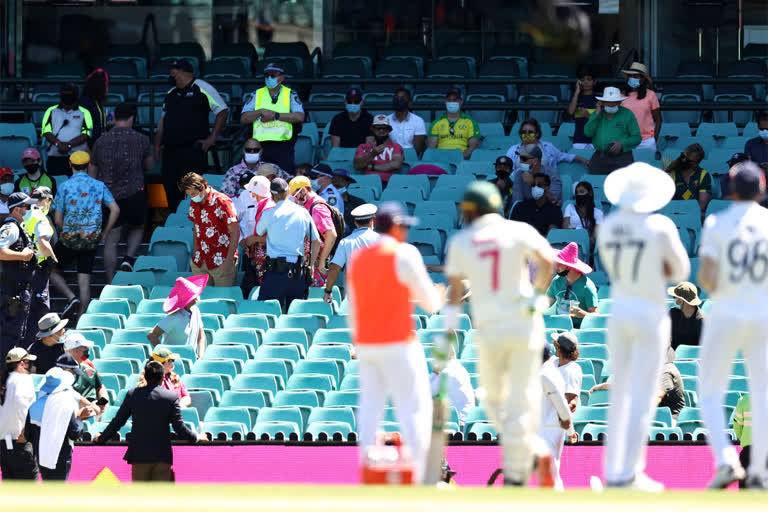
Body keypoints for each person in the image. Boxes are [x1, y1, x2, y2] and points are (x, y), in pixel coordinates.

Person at [443, 181, 554, 485]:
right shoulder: (518, 230)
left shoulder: (461, 242)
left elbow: (454, 295)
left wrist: (446, 336)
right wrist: (536, 297)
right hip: (524, 322)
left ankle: (521, 467)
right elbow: (548, 261)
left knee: (493, 400)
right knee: (520, 396)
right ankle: (531, 454)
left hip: (492, 328)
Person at [598, 162, 690, 491]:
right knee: (642, 393)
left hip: (620, 310)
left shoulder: (608, 227)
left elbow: (611, 265)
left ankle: (613, 471)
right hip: (649, 312)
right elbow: (681, 269)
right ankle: (631, 473)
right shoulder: (660, 225)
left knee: (622, 392)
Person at [347, 202, 444, 484]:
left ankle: (367, 461)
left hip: (367, 342)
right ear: (398, 227)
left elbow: (355, 305)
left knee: (371, 404)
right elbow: (429, 303)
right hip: (399, 341)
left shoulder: (359, 258)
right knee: (414, 405)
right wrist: (438, 295)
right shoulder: (405, 253)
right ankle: (420, 468)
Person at [696, 161, 768, 489]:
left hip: (727, 310)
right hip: (761, 311)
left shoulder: (717, 222)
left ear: (732, 189)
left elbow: (707, 278)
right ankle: (760, 471)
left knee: (710, 390)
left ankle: (726, 460)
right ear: (762, 189)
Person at [94, 360, 206, 481]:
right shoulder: (171, 397)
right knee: (159, 497)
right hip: (162, 454)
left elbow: (118, 421)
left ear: (145, 377)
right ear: (163, 377)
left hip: (139, 454)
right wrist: (197, 438)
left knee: (140, 496)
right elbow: (179, 427)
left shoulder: (133, 395)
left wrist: (101, 438)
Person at [50, 151, 120, 318]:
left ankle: (71, 298)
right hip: (91, 239)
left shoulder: (64, 186)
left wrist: (66, 230)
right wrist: (104, 233)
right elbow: (115, 209)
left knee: (49, 268)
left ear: (70, 164)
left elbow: (58, 219)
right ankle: (82, 318)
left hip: (70, 238)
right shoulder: (99, 185)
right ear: (89, 166)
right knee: (84, 280)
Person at [154, 59, 229, 211]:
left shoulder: (202, 87)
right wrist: (157, 145)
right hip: (170, 151)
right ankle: (174, 223)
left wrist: (212, 138)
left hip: (192, 150)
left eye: (173, 71)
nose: (171, 75)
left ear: (182, 71)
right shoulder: (170, 93)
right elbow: (162, 121)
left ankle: (195, 224)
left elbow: (222, 110)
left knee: (193, 190)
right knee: (170, 189)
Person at [91, 103, 152, 279]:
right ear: (132, 118)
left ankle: (111, 281)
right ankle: (128, 258)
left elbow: (93, 174)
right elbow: (149, 165)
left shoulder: (100, 141)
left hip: (109, 197)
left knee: (111, 240)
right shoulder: (142, 139)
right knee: (138, 227)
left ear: (114, 118)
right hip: (135, 192)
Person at [256, 178, 321, 310]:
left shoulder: (269, 213)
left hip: (275, 272)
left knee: (267, 313)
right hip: (297, 271)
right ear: (288, 193)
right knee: (297, 316)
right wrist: (311, 265)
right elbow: (316, 241)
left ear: (273, 195)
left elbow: (259, 231)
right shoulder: (303, 212)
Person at [25, 364, 89, 480]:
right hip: (62, 457)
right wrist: (80, 418)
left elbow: (27, 435)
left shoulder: (33, 406)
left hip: (41, 458)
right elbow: (74, 433)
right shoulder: (65, 408)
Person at [239, 63, 305, 173]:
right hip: (260, 146)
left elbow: (300, 117)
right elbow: (244, 118)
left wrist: (275, 116)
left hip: (283, 147)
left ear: (282, 77)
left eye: (273, 75)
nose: (269, 78)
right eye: (266, 75)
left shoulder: (290, 94)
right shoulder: (256, 94)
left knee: (285, 181)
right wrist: (260, 112)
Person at [182, 172, 239, 287]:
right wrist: (195, 255)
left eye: (193, 193)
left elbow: (235, 232)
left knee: (222, 301)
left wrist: (228, 262)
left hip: (221, 261)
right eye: (190, 195)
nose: (192, 197)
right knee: (201, 302)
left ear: (202, 187)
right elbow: (196, 229)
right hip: (200, 262)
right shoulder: (194, 202)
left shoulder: (223, 202)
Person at [0, 192, 39, 358]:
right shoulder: (10, 228)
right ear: (16, 210)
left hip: (19, 291)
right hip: (12, 292)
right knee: (10, 337)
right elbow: (1, 251)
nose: (30, 210)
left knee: (16, 335)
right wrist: (23, 256)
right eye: (27, 207)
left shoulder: (19, 228)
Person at [537, 342, 576, 491]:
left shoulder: (545, 375)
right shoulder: (550, 372)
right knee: (550, 474)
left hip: (547, 430)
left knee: (550, 475)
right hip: (549, 428)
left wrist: (571, 431)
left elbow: (561, 405)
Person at [323, 204, 380, 305]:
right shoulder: (383, 240)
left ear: (355, 222)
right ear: (372, 221)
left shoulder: (346, 242)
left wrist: (328, 291)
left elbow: (335, 268)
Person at [289, 176, 339, 284]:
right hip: (310, 260)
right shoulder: (307, 205)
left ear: (303, 191)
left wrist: (321, 263)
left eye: (295, 195)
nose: (294, 199)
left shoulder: (317, 208)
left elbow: (331, 234)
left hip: (317, 264)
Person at [0, 347, 39, 480]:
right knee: (28, 491)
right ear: (22, 363)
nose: (31, 365)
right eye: (28, 362)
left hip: (3, 444)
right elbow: (22, 405)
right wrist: (27, 432)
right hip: (20, 441)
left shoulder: (3, 381)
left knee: (11, 491)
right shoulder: (23, 379)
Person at [23, 186, 57, 338]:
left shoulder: (25, 215)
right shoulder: (40, 218)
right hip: (39, 269)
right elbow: (43, 242)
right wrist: (52, 258)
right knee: (40, 309)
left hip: (23, 267)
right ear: (47, 200)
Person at [584, 87, 642, 175]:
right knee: (596, 184)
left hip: (622, 158)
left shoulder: (627, 114)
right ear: (602, 103)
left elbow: (637, 138)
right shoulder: (597, 114)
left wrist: (622, 144)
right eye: (608, 103)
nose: (611, 105)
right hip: (600, 157)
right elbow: (588, 133)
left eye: (614, 103)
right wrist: (596, 113)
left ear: (619, 102)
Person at [147, 275, 207, 359]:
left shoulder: (196, 310)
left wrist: (201, 356)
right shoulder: (173, 317)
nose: (197, 296)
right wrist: (165, 357)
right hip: (173, 365)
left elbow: (201, 336)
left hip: (192, 362)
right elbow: (152, 335)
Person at [40, 83, 93, 176]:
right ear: (60, 97)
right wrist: (58, 144)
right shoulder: (51, 111)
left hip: (78, 158)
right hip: (55, 158)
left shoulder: (85, 112)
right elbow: (46, 131)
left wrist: (69, 145)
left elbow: (87, 133)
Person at [505, 118, 589, 173]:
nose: (526, 134)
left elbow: (564, 156)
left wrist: (583, 159)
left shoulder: (548, 147)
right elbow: (508, 169)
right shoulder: (513, 149)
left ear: (537, 134)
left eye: (530, 132)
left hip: (544, 184)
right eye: (523, 132)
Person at [546, 243, 599, 327]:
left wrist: (583, 314)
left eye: (560, 263)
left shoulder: (587, 287)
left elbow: (596, 316)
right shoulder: (557, 281)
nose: (556, 266)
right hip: (558, 328)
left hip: (578, 330)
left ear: (568, 266)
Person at [239, 175, 275, 299]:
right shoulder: (264, 205)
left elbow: (274, 235)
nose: (249, 193)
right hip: (256, 253)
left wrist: (254, 239)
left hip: (264, 255)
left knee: (261, 287)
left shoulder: (269, 208)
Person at [220, 138, 289, 197]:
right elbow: (225, 196)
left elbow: (289, 182)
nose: (252, 152)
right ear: (243, 151)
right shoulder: (233, 171)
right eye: (248, 150)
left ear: (261, 151)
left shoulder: (271, 168)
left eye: (255, 150)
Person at [429, 341, 475, 427]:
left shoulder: (447, 372)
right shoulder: (460, 369)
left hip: (458, 422)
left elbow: (426, 392)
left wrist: (434, 373)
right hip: (463, 419)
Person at [427, 88, 481, 160]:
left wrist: (458, 158)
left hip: (462, 161)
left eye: (455, 100)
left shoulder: (470, 122)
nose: (452, 102)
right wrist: (442, 159)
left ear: (461, 101)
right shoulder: (436, 123)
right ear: (445, 102)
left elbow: (473, 148)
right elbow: (431, 149)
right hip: (440, 160)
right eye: (449, 100)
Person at [666, 143, 712, 221]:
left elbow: (702, 205)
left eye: (688, 160)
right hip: (675, 213)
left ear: (696, 163)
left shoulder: (703, 175)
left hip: (694, 214)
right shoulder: (673, 173)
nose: (684, 160)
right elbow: (668, 201)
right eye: (683, 157)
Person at [353, 115, 404, 183]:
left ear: (389, 130)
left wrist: (371, 166)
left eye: (384, 128)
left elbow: (395, 165)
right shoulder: (363, 146)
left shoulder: (396, 146)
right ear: (372, 129)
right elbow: (357, 165)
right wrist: (372, 154)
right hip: (367, 182)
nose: (381, 131)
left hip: (389, 182)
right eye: (378, 128)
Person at [63, 333, 107, 406]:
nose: (87, 350)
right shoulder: (59, 374)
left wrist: (102, 405)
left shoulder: (89, 369)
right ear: (75, 351)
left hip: (94, 411)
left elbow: (101, 388)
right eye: (84, 347)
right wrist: (90, 407)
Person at [562, 181, 603, 252]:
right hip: (569, 243)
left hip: (586, 246)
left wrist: (582, 239)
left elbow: (594, 237)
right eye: (577, 193)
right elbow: (565, 229)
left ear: (590, 194)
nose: (579, 195)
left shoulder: (598, 213)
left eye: (581, 191)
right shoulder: (570, 207)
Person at [388, 87, 426, 154]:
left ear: (410, 103)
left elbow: (417, 150)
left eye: (402, 98)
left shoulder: (418, 121)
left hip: (410, 157)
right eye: (397, 98)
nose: (399, 100)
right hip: (391, 156)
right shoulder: (386, 120)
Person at [567, 67, 598, 150]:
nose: (586, 82)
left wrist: (587, 115)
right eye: (583, 79)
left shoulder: (599, 99)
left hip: (596, 140)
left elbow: (602, 121)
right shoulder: (575, 98)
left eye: (589, 79)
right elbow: (570, 112)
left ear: (594, 82)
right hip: (579, 140)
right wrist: (577, 92)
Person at [668, 281, 704, 350]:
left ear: (683, 299)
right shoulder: (673, 314)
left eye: (675, 296)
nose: (674, 297)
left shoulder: (702, 321)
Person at [79, 68, 110, 145]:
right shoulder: (85, 103)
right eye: (105, 86)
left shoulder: (96, 101)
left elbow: (97, 123)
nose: (107, 89)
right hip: (86, 148)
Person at [733, 393, 753, 489]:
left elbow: (737, 426)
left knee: (744, 487)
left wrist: (744, 439)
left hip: (748, 449)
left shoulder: (743, 400)